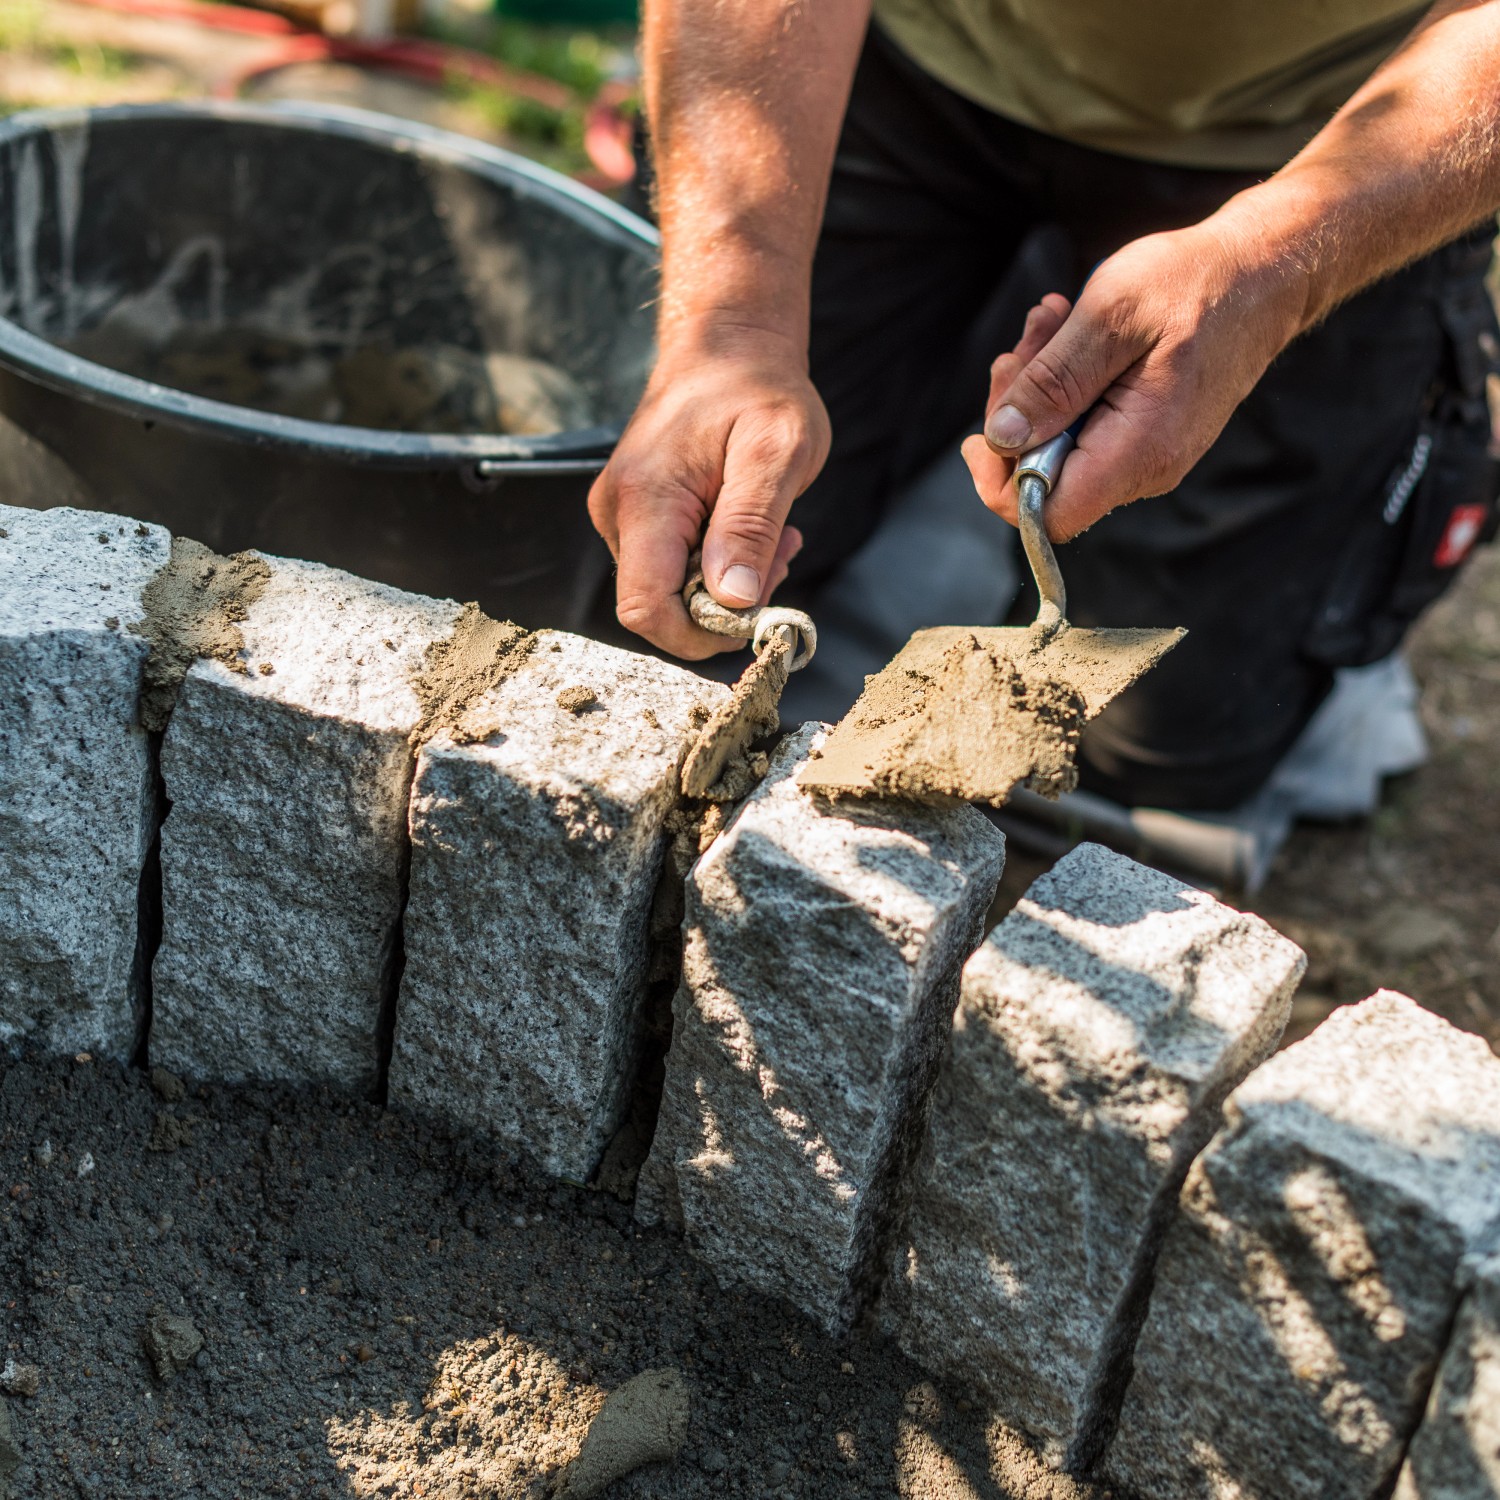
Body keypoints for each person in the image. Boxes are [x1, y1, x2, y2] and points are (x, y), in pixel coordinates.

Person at [587, 0, 1500, 810]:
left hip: (1336, 126)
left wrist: (1278, 273)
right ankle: (964, 334)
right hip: (895, 57)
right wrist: (734, 325)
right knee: (663, 569)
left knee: (1169, 748)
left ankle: (998, 333)